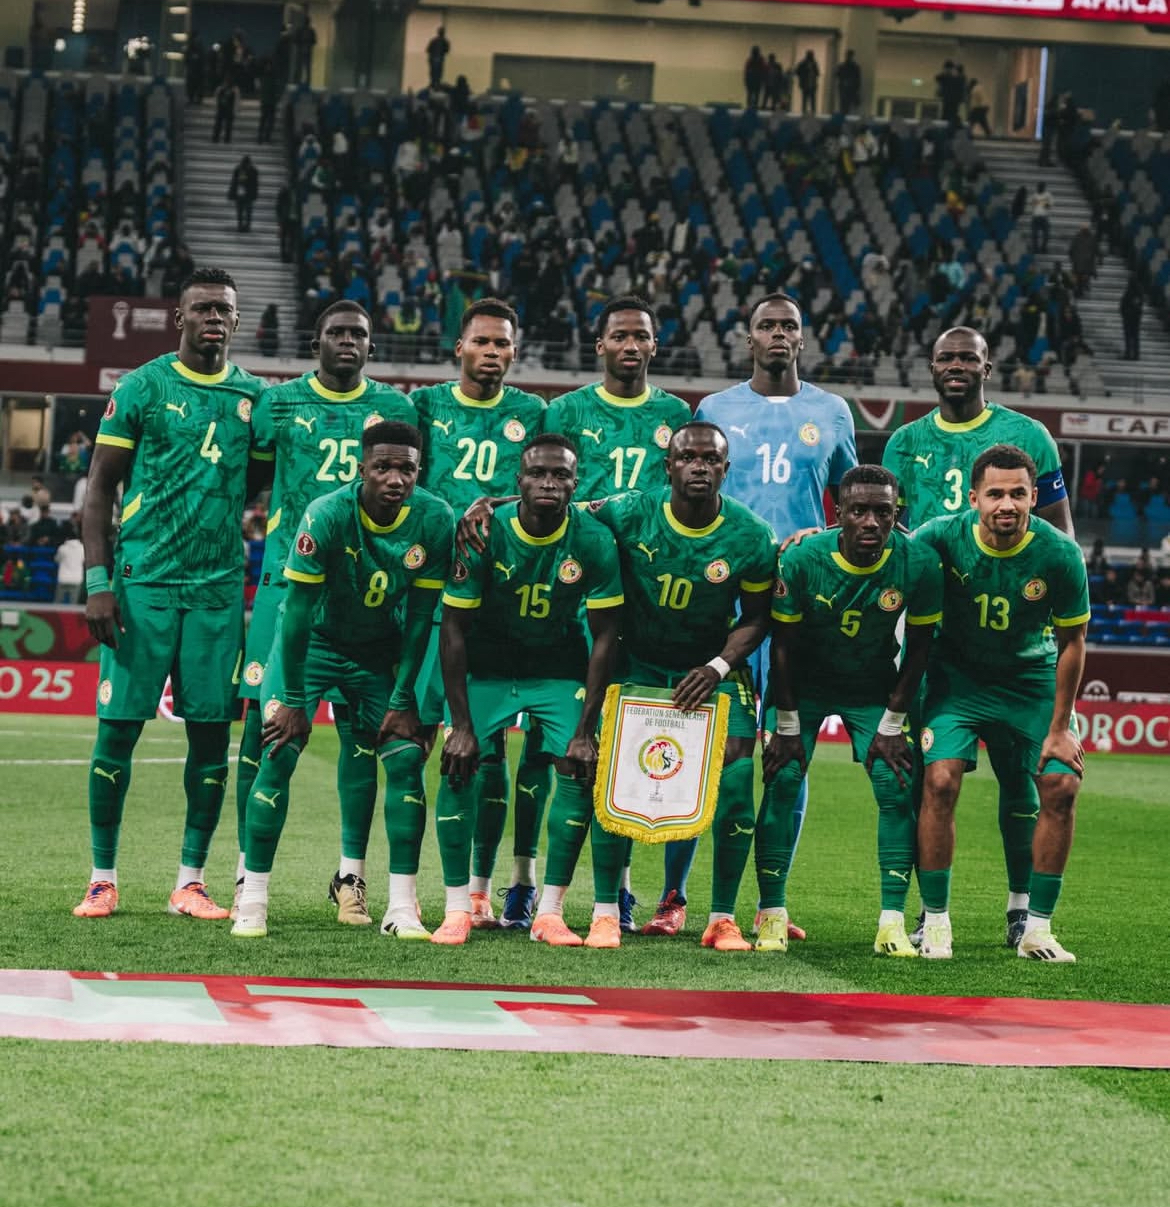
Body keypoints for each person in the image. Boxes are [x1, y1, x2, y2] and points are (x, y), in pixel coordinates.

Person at [476, 295, 689, 932]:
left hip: (637, 597)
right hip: (569, 591)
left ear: (655, 345)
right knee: (544, 751)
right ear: (600, 345)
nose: (630, 345)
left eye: (641, 336)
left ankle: (617, 889)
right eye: (619, 335)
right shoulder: (564, 411)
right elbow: (538, 478)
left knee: (610, 748)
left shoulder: (676, 414)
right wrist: (488, 501)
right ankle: (520, 881)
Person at [73, 267, 267, 921]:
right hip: (143, 585)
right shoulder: (143, 387)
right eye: (203, 307)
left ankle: (190, 881)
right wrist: (99, 582)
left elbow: (262, 481)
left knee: (212, 739)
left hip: (215, 592)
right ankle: (102, 877)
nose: (215, 317)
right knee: (117, 731)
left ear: (237, 322)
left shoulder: (253, 398)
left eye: (225, 309)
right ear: (180, 318)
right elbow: (99, 488)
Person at [882, 325, 1073, 946]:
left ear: (988, 367)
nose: (957, 366)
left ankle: (1025, 912)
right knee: (932, 781)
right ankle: (930, 914)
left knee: (1029, 783)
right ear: (931, 367)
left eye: (969, 357)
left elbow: (1060, 538)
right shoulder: (905, 443)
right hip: (946, 651)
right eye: (946, 357)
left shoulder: (1029, 437)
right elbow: (892, 547)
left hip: (1022, 650)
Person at [675, 292, 857, 941]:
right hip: (729, 609)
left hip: (802, 610)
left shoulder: (832, 413)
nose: (779, 333)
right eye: (767, 324)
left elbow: (853, 506)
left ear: (803, 339)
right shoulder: (716, 410)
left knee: (789, 754)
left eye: (790, 325)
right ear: (747, 336)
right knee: (722, 756)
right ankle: (692, 902)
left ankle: (771, 902)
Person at [231, 422, 454, 938]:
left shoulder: (435, 518)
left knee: (404, 760)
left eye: (407, 469)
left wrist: (403, 699)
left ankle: (402, 909)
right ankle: (253, 900)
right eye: (384, 467)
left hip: (379, 654)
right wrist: (290, 699)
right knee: (278, 747)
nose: (396, 478)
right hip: (315, 646)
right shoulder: (326, 513)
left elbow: (422, 618)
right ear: (361, 470)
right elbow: (297, 614)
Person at [236, 300, 417, 926]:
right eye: (337, 332)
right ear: (316, 341)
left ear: (371, 345)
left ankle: (351, 880)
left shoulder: (396, 409)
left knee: (361, 744)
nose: (348, 341)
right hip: (291, 592)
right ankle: (244, 876)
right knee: (266, 733)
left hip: (370, 601)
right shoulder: (278, 403)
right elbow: (252, 477)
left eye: (359, 334)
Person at [589, 422, 778, 951]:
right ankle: (606, 912)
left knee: (739, 782)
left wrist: (718, 665)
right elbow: (559, 505)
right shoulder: (629, 511)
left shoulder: (750, 535)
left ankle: (721, 917)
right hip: (639, 667)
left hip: (711, 673)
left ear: (725, 469)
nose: (699, 466)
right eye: (688, 458)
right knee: (612, 778)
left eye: (710, 459)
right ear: (668, 466)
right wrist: (490, 504)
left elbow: (757, 618)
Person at [436, 434, 624, 948]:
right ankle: (458, 908)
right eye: (537, 473)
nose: (548, 482)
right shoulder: (482, 531)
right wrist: (461, 724)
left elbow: (606, 633)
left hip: (557, 670)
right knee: (459, 763)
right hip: (488, 670)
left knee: (578, 766)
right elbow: (451, 627)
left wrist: (586, 728)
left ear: (575, 483)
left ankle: (551, 912)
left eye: (560, 475)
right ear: (517, 480)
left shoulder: (592, 538)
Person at [913, 444, 1089, 962]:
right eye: (995, 494)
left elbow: (1074, 641)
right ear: (974, 497)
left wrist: (1060, 727)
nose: (1006, 504)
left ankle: (1037, 926)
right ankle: (937, 923)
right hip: (957, 679)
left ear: (1035, 496)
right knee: (940, 780)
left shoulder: (1059, 553)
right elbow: (886, 561)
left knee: (1060, 783)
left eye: (1018, 493)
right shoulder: (940, 538)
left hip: (1030, 679)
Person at [759, 465, 942, 955]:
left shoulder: (918, 562)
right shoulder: (802, 559)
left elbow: (921, 649)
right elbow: (781, 649)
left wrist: (893, 723)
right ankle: (771, 914)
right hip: (803, 686)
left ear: (896, 515)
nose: (870, 522)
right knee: (781, 780)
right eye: (858, 510)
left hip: (872, 689)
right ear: (837, 513)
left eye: (883, 512)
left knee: (895, 786)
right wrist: (787, 726)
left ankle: (891, 923)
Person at [410, 300, 547, 927]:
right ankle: (391, 886)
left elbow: (545, 486)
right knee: (417, 744)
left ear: (515, 353)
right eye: (482, 342)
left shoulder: (532, 413)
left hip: (508, 601)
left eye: (503, 344)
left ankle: (479, 889)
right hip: (434, 597)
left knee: (488, 751)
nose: (493, 352)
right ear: (458, 348)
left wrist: (490, 500)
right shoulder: (426, 407)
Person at [228, 154, 258, 233]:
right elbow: (234, 182)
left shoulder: (251, 171)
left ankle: (245, 226)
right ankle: (241, 226)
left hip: (246, 194)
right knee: (241, 211)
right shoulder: (240, 170)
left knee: (246, 211)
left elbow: (254, 184)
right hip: (242, 193)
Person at [54, 527, 85, 602]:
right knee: (73, 604)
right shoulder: (82, 548)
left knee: (58, 602)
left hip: (63, 578)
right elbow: (84, 561)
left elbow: (56, 560)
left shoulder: (62, 548)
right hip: (76, 579)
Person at [1120, 276, 1143, 361]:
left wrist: (1125, 312)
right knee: (1134, 337)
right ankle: (1133, 354)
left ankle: (1130, 354)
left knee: (1130, 337)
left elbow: (1135, 305)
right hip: (1134, 318)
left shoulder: (1133, 292)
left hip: (1131, 318)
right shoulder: (1137, 292)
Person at [212, 76, 240, 144]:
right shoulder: (220, 89)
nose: (226, 83)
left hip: (229, 110)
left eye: (227, 82)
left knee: (228, 126)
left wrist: (235, 110)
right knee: (218, 125)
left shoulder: (234, 90)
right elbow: (216, 98)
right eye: (225, 82)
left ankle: (227, 139)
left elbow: (237, 100)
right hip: (221, 109)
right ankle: (216, 138)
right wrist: (216, 108)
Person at [834, 49, 861, 115]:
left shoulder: (853, 67)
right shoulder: (844, 66)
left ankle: (845, 115)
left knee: (847, 105)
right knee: (844, 105)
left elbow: (858, 79)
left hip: (849, 88)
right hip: (846, 88)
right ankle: (844, 115)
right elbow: (837, 75)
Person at [1030, 183, 1052, 256]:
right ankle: (1035, 248)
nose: (1039, 189)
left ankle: (1043, 248)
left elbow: (1048, 206)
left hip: (1044, 216)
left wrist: (1041, 202)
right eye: (1038, 187)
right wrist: (1039, 202)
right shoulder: (1034, 195)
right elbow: (1032, 205)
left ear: (1043, 188)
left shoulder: (1048, 195)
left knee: (1046, 234)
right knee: (1034, 234)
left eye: (1041, 187)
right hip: (1035, 216)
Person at [795, 50, 820, 115]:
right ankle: (804, 112)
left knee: (812, 100)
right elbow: (797, 71)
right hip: (805, 84)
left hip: (812, 83)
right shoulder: (803, 63)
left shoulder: (814, 63)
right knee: (805, 99)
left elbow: (818, 73)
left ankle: (813, 112)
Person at [426, 25, 450, 90]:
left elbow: (428, 50)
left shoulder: (434, 40)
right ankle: (435, 84)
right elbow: (447, 50)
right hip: (438, 59)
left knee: (434, 73)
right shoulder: (445, 41)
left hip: (433, 58)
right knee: (437, 73)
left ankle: (434, 84)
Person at [184, 31, 205, 105]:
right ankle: (191, 99)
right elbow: (186, 60)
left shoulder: (199, 48)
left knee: (197, 85)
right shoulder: (190, 49)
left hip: (197, 71)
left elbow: (203, 59)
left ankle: (197, 99)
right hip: (193, 70)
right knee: (192, 86)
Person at [744, 46, 766, 110]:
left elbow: (763, 71)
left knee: (753, 95)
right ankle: (751, 107)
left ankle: (752, 107)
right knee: (752, 95)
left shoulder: (760, 60)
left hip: (755, 81)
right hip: (753, 81)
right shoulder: (751, 60)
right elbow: (746, 72)